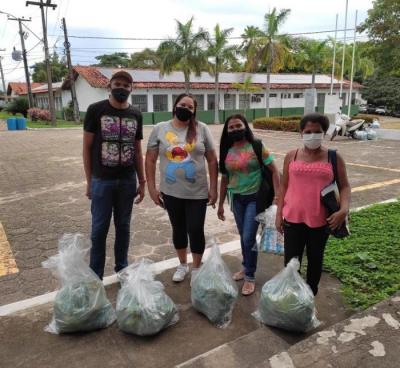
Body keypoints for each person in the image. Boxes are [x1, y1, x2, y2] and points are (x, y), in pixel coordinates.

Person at [275, 112, 351, 295]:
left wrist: (344, 210)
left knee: (315, 261)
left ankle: (309, 298)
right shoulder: (291, 156)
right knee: (291, 263)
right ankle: (292, 297)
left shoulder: (333, 157)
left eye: (317, 131)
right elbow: (284, 186)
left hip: (321, 221)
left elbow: (345, 186)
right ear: (301, 132)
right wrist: (279, 214)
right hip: (292, 218)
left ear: (324, 132)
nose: (312, 135)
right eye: (308, 131)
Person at [145, 93, 218, 283]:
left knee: (195, 229)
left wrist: (214, 188)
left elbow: (212, 159)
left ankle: (196, 268)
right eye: (182, 105)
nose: (185, 109)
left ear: (194, 111)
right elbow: (150, 159)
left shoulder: (202, 129)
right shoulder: (160, 128)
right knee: (178, 228)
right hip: (171, 192)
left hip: (198, 192)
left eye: (190, 107)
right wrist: (152, 188)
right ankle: (182, 264)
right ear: (175, 106)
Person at [83, 70, 145, 280]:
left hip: (127, 181)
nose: (122, 88)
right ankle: (95, 277)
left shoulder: (136, 114)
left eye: (126, 86)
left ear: (131, 89)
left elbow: (137, 150)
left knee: (124, 227)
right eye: (117, 84)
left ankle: (122, 269)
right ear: (109, 86)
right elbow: (87, 148)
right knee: (99, 230)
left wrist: (143, 180)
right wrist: (89, 181)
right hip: (101, 181)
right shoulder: (95, 110)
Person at [218, 114, 280, 296]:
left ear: (245, 126)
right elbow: (224, 179)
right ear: (227, 131)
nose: (235, 129)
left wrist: (277, 196)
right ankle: (246, 267)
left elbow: (275, 171)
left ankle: (250, 276)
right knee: (243, 235)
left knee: (247, 238)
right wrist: (221, 203)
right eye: (231, 127)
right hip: (236, 199)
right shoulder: (225, 150)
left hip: (255, 198)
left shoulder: (257, 146)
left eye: (239, 125)